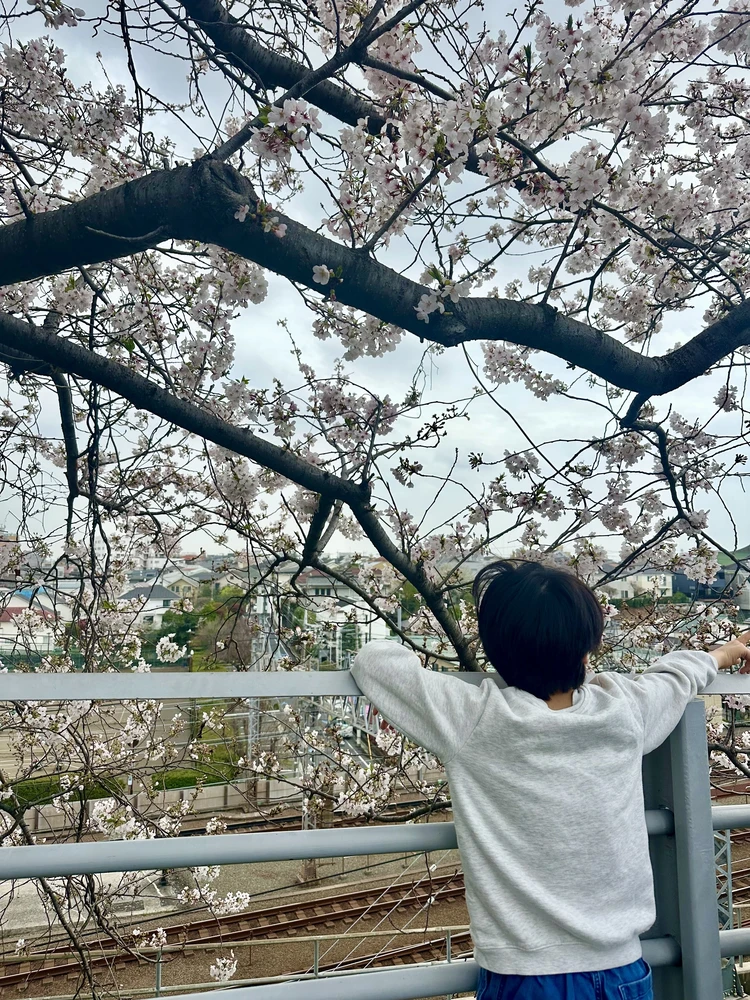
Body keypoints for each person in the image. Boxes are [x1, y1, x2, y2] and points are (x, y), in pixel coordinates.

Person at [350, 560, 750, 1000]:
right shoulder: (623, 709)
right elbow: (676, 676)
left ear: (496, 652)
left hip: (524, 974)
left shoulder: (475, 717)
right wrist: (725, 652)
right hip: (621, 968)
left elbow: (374, 663)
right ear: (586, 649)